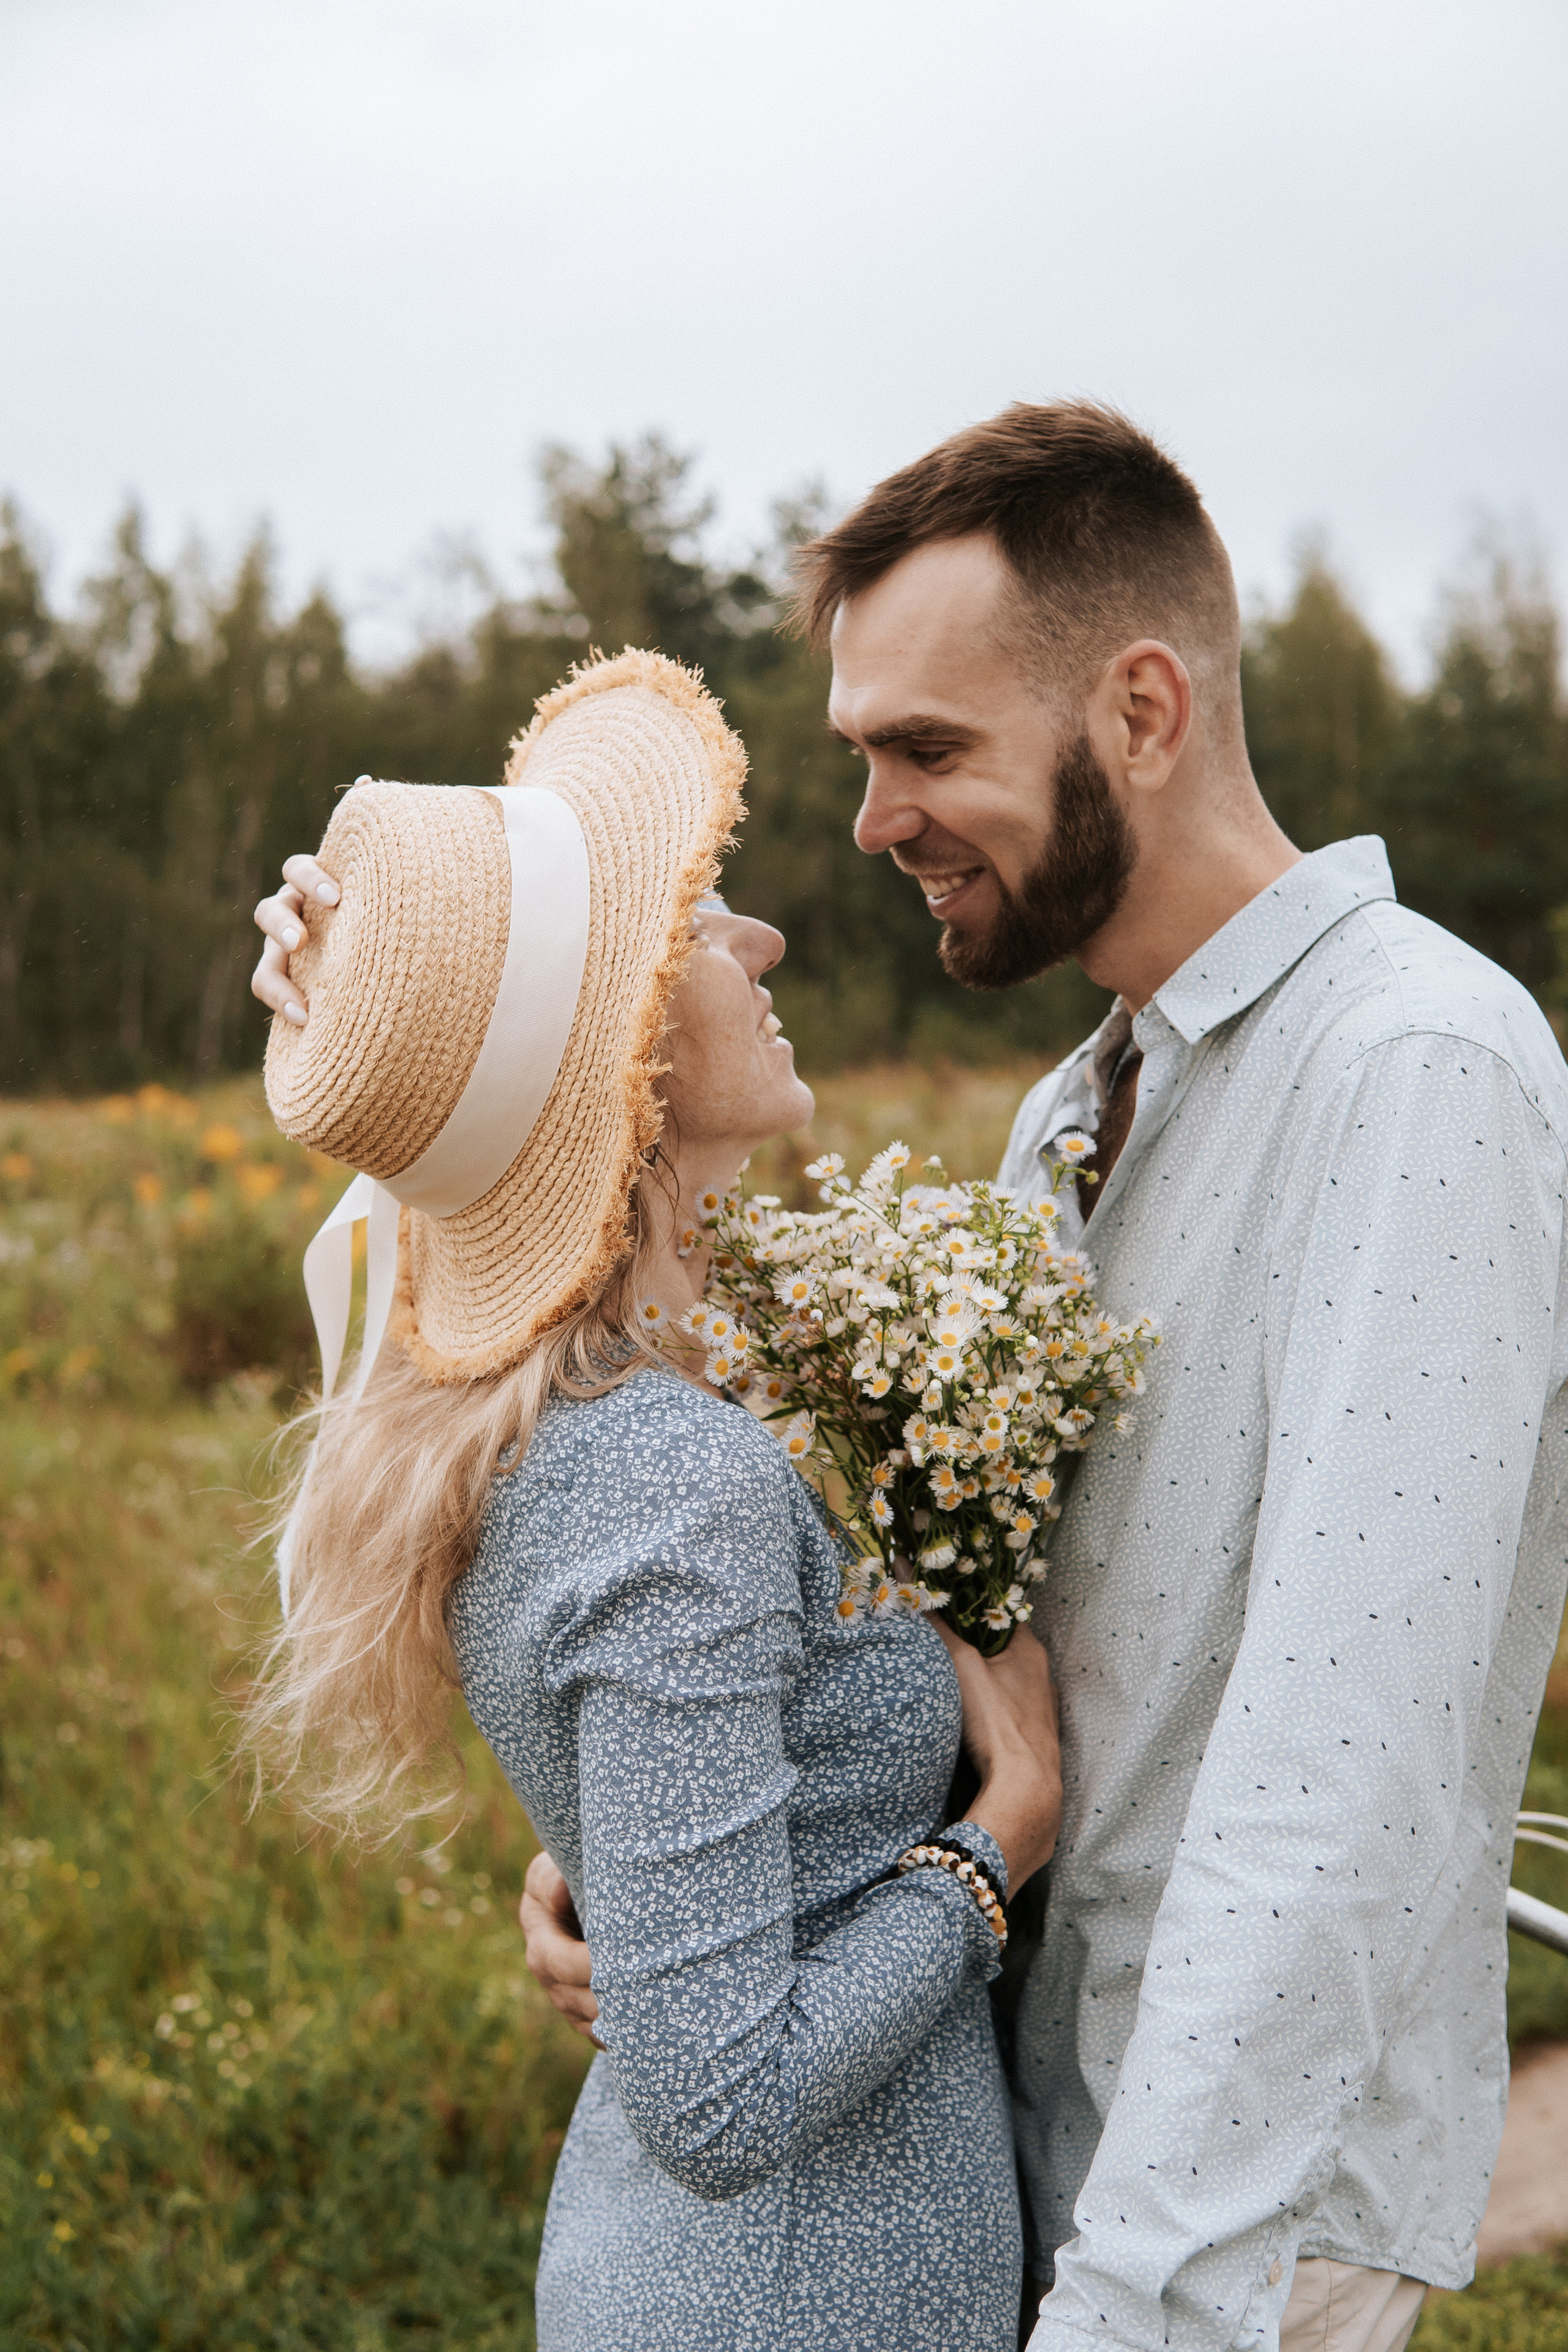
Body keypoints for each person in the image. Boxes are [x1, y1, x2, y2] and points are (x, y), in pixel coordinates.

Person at [405, 406, 1567, 2352]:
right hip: (1019, 2158)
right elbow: (1022, 1664)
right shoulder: (1067, 1115)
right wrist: (674, 1874)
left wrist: (1140, 2303)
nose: (871, 823)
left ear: (1141, 707)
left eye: (927, 750)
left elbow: (1337, 1775)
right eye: (867, 754)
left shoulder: (1414, 1069)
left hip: (1211, 2233)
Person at [247, 647, 1060, 2352]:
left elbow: (712, 1828)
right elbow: (719, 2103)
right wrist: (1008, 1836)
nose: (762, 942)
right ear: (612, 1055)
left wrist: (596, 1881)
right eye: (703, 916)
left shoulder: (676, 1401)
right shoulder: (664, 1476)